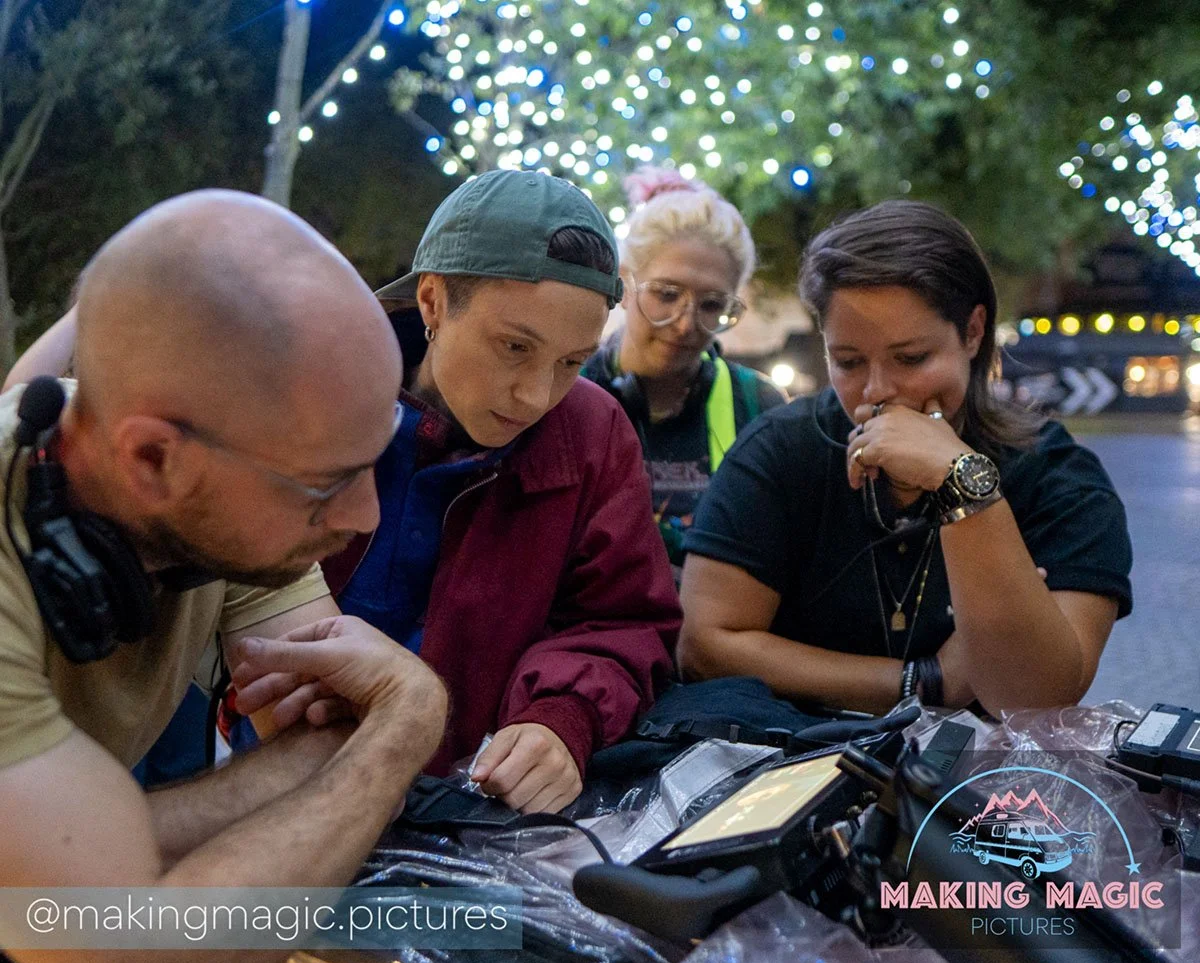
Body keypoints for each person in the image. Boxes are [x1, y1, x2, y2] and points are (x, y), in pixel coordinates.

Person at [0, 190, 448, 963]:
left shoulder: (227, 496)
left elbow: (323, 734)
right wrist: (404, 729)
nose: (366, 514)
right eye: (325, 482)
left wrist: (121, 848)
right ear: (152, 459)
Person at [236, 170, 679, 815]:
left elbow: (623, 620)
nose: (536, 395)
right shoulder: (305, 393)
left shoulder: (595, 432)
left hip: (469, 805)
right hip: (254, 774)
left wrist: (562, 717)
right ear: (434, 301)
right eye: (514, 347)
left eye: (571, 362)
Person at [677, 200, 1132, 717]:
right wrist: (925, 682)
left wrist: (962, 482)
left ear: (974, 332)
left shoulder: (1057, 476)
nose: (877, 391)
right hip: (791, 768)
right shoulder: (780, 449)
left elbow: (1038, 698)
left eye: (911, 358)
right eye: (847, 362)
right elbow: (704, 647)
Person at [580, 168, 785, 573]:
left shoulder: (759, 405)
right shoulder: (569, 389)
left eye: (711, 305)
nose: (686, 324)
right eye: (667, 294)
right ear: (622, 284)